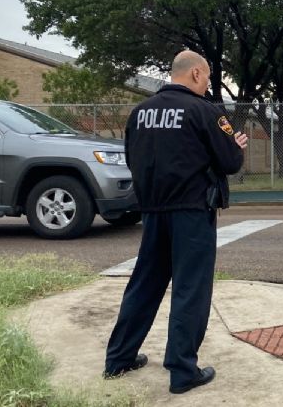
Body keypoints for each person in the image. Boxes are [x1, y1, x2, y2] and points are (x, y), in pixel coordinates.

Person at [103, 50, 248, 394]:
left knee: (144, 284)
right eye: (209, 77)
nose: (208, 83)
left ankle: (119, 359)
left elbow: (132, 157)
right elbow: (229, 161)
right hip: (192, 213)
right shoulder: (205, 112)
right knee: (190, 288)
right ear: (197, 74)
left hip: (152, 212)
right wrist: (236, 145)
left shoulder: (140, 113)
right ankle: (183, 370)